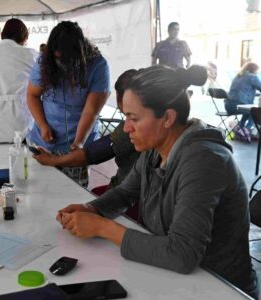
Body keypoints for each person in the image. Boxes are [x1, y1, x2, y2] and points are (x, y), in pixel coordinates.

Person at [56, 65, 258, 298]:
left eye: (134, 118)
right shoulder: (157, 150)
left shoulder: (204, 161)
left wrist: (102, 227)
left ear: (168, 118)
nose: (126, 127)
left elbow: (181, 254)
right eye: (125, 118)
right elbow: (125, 193)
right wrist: (91, 209)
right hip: (180, 281)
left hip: (220, 288)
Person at [27, 21, 110, 186]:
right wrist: (43, 125)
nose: (62, 64)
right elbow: (32, 95)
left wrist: (79, 142)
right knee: (39, 191)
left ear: (78, 53)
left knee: (73, 193)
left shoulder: (98, 65)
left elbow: (91, 111)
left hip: (77, 142)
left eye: (66, 60)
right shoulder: (44, 61)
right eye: (57, 59)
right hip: (45, 142)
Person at [32, 70, 139, 190]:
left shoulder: (130, 132)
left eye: (133, 117)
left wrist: (52, 160)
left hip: (128, 193)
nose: (126, 127)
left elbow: (91, 155)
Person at [225, 62, 261, 139]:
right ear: (254, 70)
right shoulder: (252, 77)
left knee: (248, 110)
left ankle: (240, 129)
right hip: (239, 105)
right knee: (254, 111)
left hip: (228, 106)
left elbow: (242, 90)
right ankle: (246, 130)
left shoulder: (237, 76)